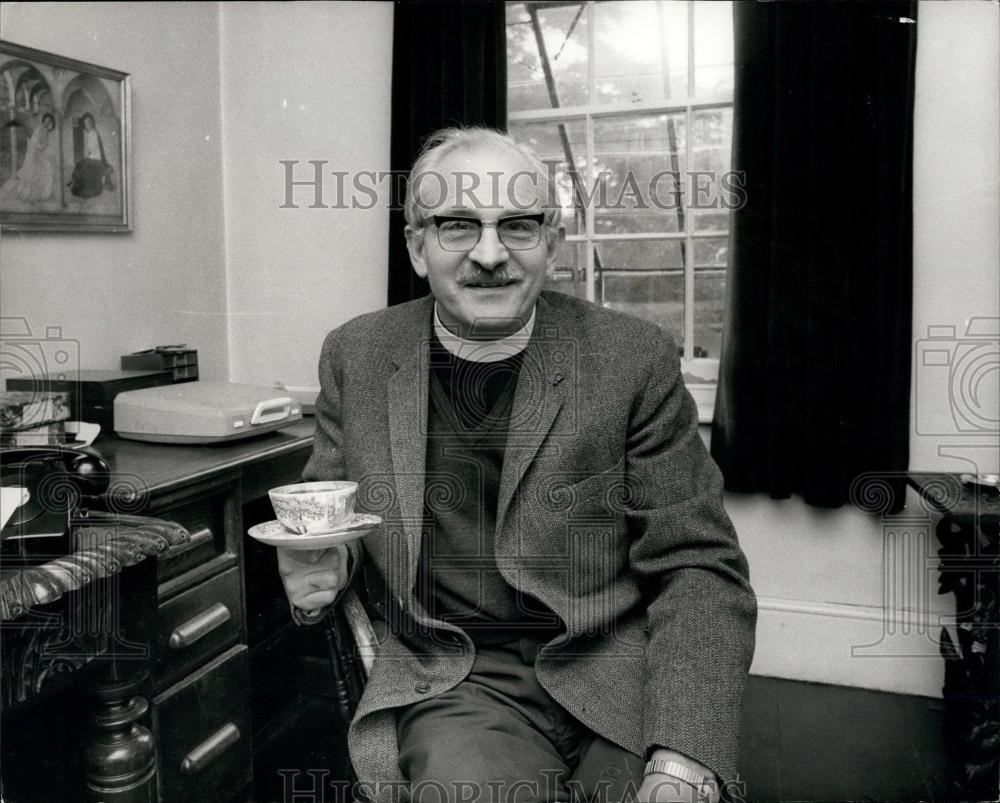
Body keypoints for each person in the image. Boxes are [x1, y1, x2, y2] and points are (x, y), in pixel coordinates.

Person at [277, 127, 756, 803]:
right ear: (418, 246)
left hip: (621, 667)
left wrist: (681, 759)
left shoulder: (632, 358)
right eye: (457, 226)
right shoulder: (356, 355)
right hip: (458, 681)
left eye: (519, 227)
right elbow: (330, 519)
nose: (490, 254)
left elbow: (698, 564)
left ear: (551, 245)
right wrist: (324, 566)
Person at [14, 113, 57, 204]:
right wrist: (42, 146)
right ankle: (31, 195)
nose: (48, 122)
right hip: (34, 155)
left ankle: (41, 194)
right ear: (44, 120)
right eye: (47, 120)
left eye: (50, 121)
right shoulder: (39, 130)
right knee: (35, 174)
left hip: (40, 155)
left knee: (46, 171)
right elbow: (34, 143)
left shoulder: (46, 131)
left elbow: (46, 143)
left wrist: (45, 147)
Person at [68, 112, 112, 199]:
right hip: (93, 157)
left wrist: (89, 153)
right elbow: (90, 149)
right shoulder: (90, 133)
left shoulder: (94, 132)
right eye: (86, 124)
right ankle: (74, 181)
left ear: (92, 123)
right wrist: (88, 154)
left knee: (84, 166)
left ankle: (80, 187)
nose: (88, 125)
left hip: (97, 158)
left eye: (89, 123)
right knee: (79, 163)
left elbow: (94, 147)